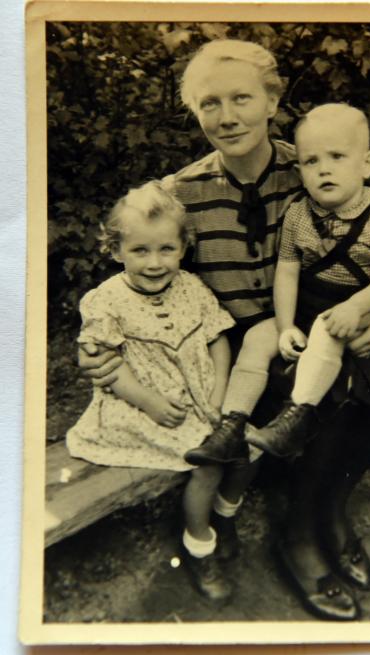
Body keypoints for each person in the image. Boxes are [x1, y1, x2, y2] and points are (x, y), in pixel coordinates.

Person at [78, 39, 370, 621]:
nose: (228, 116)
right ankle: (301, 538)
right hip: (231, 343)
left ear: (273, 101)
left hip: (312, 317)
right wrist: (99, 352)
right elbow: (137, 271)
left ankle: (330, 507)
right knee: (327, 394)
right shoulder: (180, 194)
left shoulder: (313, 162)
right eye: (210, 103)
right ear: (194, 111)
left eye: (242, 98)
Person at [186, 102, 370, 463]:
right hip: (307, 303)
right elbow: (287, 271)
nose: (324, 169)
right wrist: (285, 325)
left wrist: (358, 307)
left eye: (337, 157)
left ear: (367, 164)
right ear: (300, 170)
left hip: (349, 309)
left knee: (326, 332)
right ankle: (231, 426)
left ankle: (295, 419)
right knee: (256, 339)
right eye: (311, 162)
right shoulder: (299, 212)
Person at [67, 180, 237, 602]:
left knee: (241, 440)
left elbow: (218, 339)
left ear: (183, 248)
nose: (155, 262)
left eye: (166, 249)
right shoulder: (106, 301)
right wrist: (153, 403)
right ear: (116, 250)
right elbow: (108, 368)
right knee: (209, 460)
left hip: (199, 398)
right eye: (140, 250)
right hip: (138, 405)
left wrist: (217, 396)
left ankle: (224, 514)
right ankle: (200, 544)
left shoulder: (192, 288)